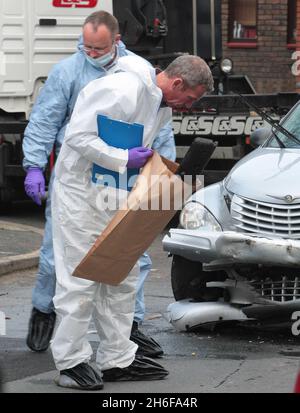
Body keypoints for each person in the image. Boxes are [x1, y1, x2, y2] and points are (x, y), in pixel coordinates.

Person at [50, 53, 213, 390]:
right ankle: (71, 362)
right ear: (178, 83)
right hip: (81, 195)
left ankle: (117, 358)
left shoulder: (156, 103)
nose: (189, 106)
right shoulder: (123, 88)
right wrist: (125, 157)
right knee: (80, 278)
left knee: (119, 276)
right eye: (190, 98)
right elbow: (78, 138)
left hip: (111, 192)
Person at [22, 11, 176, 358]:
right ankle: (44, 311)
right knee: (58, 256)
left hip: (124, 179)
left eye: (98, 49)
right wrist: (34, 166)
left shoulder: (138, 72)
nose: (91, 54)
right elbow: (46, 120)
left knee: (127, 259)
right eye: (86, 47)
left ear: (116, 42)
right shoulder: (68, 72)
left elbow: (158, 126)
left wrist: (161, 172)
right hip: (79, 178)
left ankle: (128, 331)